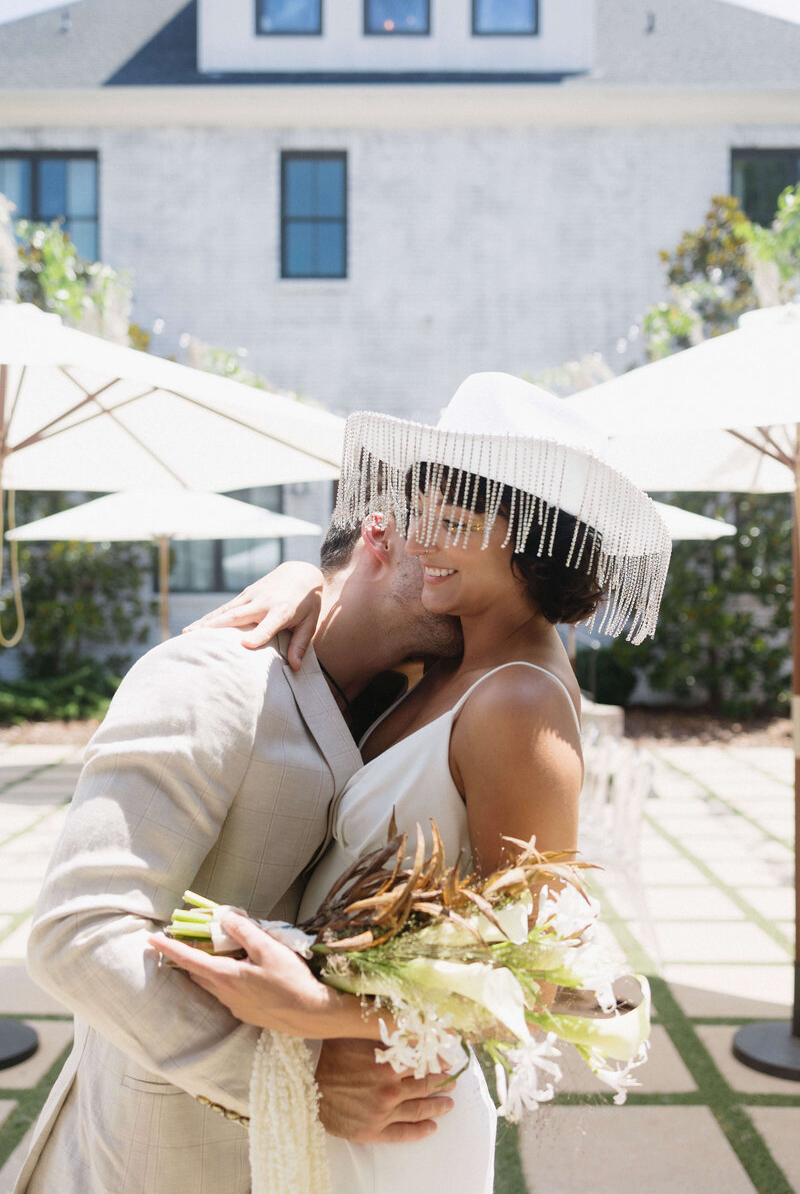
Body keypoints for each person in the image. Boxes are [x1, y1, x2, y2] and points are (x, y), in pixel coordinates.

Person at [155, 371, 671, 1194]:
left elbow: (543, 977)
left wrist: (324, 1016)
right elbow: (349, 603)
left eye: (456, 521)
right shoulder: (453, 655)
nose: (422, 538)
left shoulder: (519, 699)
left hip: (400, 1099)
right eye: (421, 508)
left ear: (535, 540)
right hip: (347, 1082)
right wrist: (300, 579)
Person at [14, 515, 464, 1194]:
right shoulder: (213, 675)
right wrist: (299, 1074)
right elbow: (78, 934)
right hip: (164, 1155)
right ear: (381, 531)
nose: (490, 561)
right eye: (457, 525)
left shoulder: (416, 701)